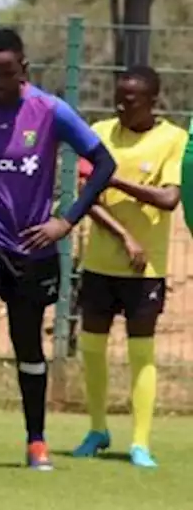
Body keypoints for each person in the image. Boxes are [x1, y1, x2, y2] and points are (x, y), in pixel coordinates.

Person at [0, 28, 117, 472]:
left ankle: (37, 441)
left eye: (7, 74)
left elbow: (105, 163)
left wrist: (65, 221)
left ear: (24, 70)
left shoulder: (50, 111)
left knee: (28, 345)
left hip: (33, 249)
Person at [71, 66, 186, 468]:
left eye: (131, 100)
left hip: (146, 269)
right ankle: (97, 429)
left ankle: (140, 443)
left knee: (142, 353)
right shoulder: (100, 133)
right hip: (100, 263)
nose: (122, 105)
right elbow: (87, 194)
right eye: (118, 97)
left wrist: (115, 180)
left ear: (152, 100)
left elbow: (169, 198)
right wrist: (124, 235)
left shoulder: (173, 138)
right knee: (92, 349)